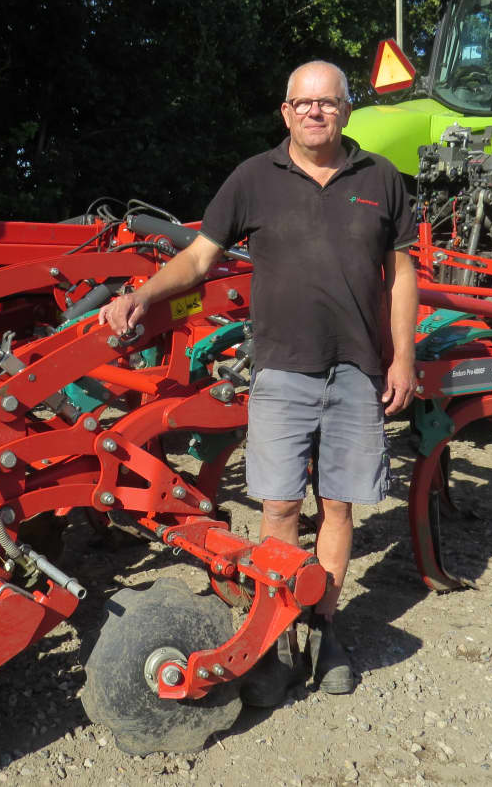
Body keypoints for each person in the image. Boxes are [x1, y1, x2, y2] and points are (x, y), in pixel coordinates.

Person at [99, 60, 418, 705]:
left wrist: (403, 356)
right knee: (277, 507)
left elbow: (403, 273)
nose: (314, 112)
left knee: (337, 505)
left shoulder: (381, 180)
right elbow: (197, 256)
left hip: (356, 369)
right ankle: (277, 633)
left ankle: (324, 627)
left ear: (346, 110)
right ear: (285, 112)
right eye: (302, 103)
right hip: (282, 371)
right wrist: (143, 293)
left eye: (326, 102)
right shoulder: (253, 178)